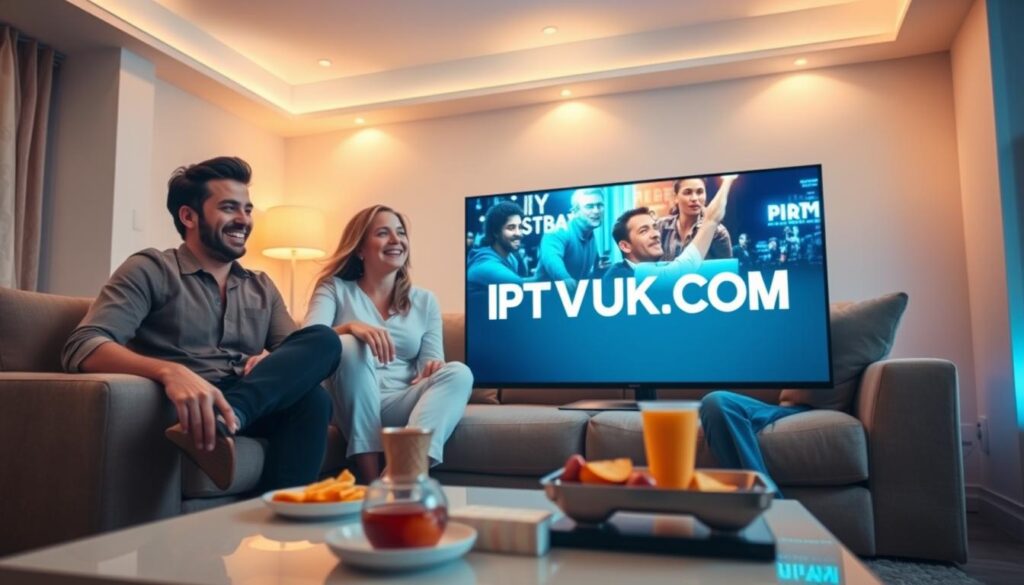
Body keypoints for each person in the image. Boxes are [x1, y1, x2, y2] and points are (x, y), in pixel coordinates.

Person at [61, 156, 340, 491]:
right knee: (315, 399)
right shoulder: (151, 269)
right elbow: (83, 345)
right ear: (188, 216)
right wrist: (169, 371)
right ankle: (226, 424)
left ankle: (275, 516)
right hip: (186, 405)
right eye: (229, 208)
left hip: (248, 397)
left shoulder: (261, 285)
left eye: (248, 210)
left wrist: (271, 359)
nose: (243, 220)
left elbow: (296, 354)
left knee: (323, 345)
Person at [304, 205, 473, 482]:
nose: (396, 240)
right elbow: (307, 342)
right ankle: (370, 478)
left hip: (400, 401)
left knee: (460, 372)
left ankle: (400, 476)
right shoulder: (333, 288)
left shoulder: (425, 300)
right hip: (347, 404)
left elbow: (429, 362)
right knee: (350, 345)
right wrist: (350, 328)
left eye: (401, 233)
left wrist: (433, 367)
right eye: (383, 233)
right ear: (360, 249)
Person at [534, 187, 606, 289]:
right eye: (589, 206)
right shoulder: (558, 232)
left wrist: (600, 269)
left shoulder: (591, 236)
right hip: (543, 299)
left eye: (600, 205)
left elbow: (584, 276)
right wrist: (565, 278)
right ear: (575, 211)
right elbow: (552, 258)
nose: (596, 211)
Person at [658, 176, 735, 261]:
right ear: (675, 197)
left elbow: (726, 271)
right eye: (687, 192)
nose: (694, 198)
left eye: (699, 192)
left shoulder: (717, 233)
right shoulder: (660, 227)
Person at [466, 201, 530, 295]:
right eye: (511, 228)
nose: (519, 233)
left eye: (520, 227)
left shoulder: (511, 258)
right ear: (495, 232)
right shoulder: (485, 264)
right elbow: (520, 285)